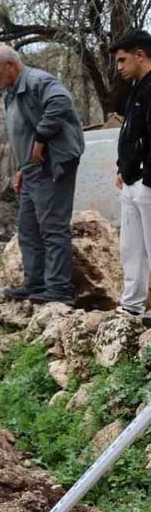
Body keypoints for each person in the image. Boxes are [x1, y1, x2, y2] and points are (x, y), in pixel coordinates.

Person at [0, 45, 86, 305]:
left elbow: (60, 102)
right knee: (28, 229)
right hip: (31, 171)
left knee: (53, 228)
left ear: (11, 65)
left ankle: (59, 289)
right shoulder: (11, 91)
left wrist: (42, 138)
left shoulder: (38, 81)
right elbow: (23, 132)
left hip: (51, 166)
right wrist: (21, 167)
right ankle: (36, 283)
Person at [112, 30, 151, 317]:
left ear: (141, 55)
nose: (119, 67)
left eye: (123, 60)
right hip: (132, 180)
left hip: (146, 182)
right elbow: (131, 133)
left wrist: (147, 177)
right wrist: (122, 168)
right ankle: (131, 307)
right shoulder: (137, 87)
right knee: (131, 250)